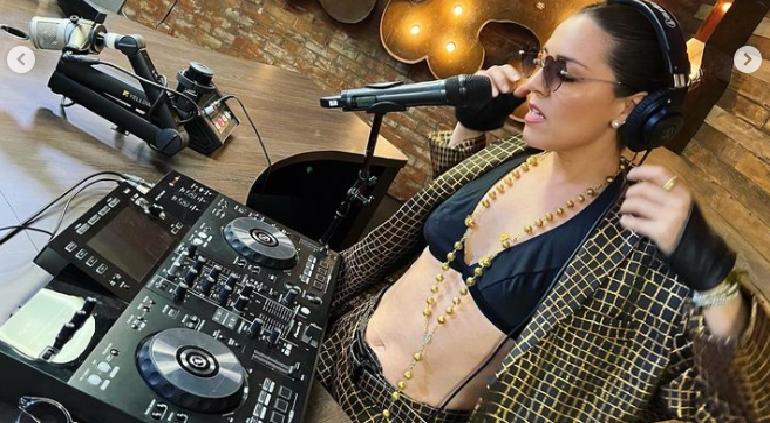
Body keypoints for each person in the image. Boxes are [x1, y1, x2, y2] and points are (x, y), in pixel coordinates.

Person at [316, 1, 770, 421]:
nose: (531, 84)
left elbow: (739, 408)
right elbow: (451, 228)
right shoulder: (515, 157)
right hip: (336, 340)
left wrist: (718, 284)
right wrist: (468, 126)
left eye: (562, 74)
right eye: (540, 62)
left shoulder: (634, 243)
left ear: (634, 106)